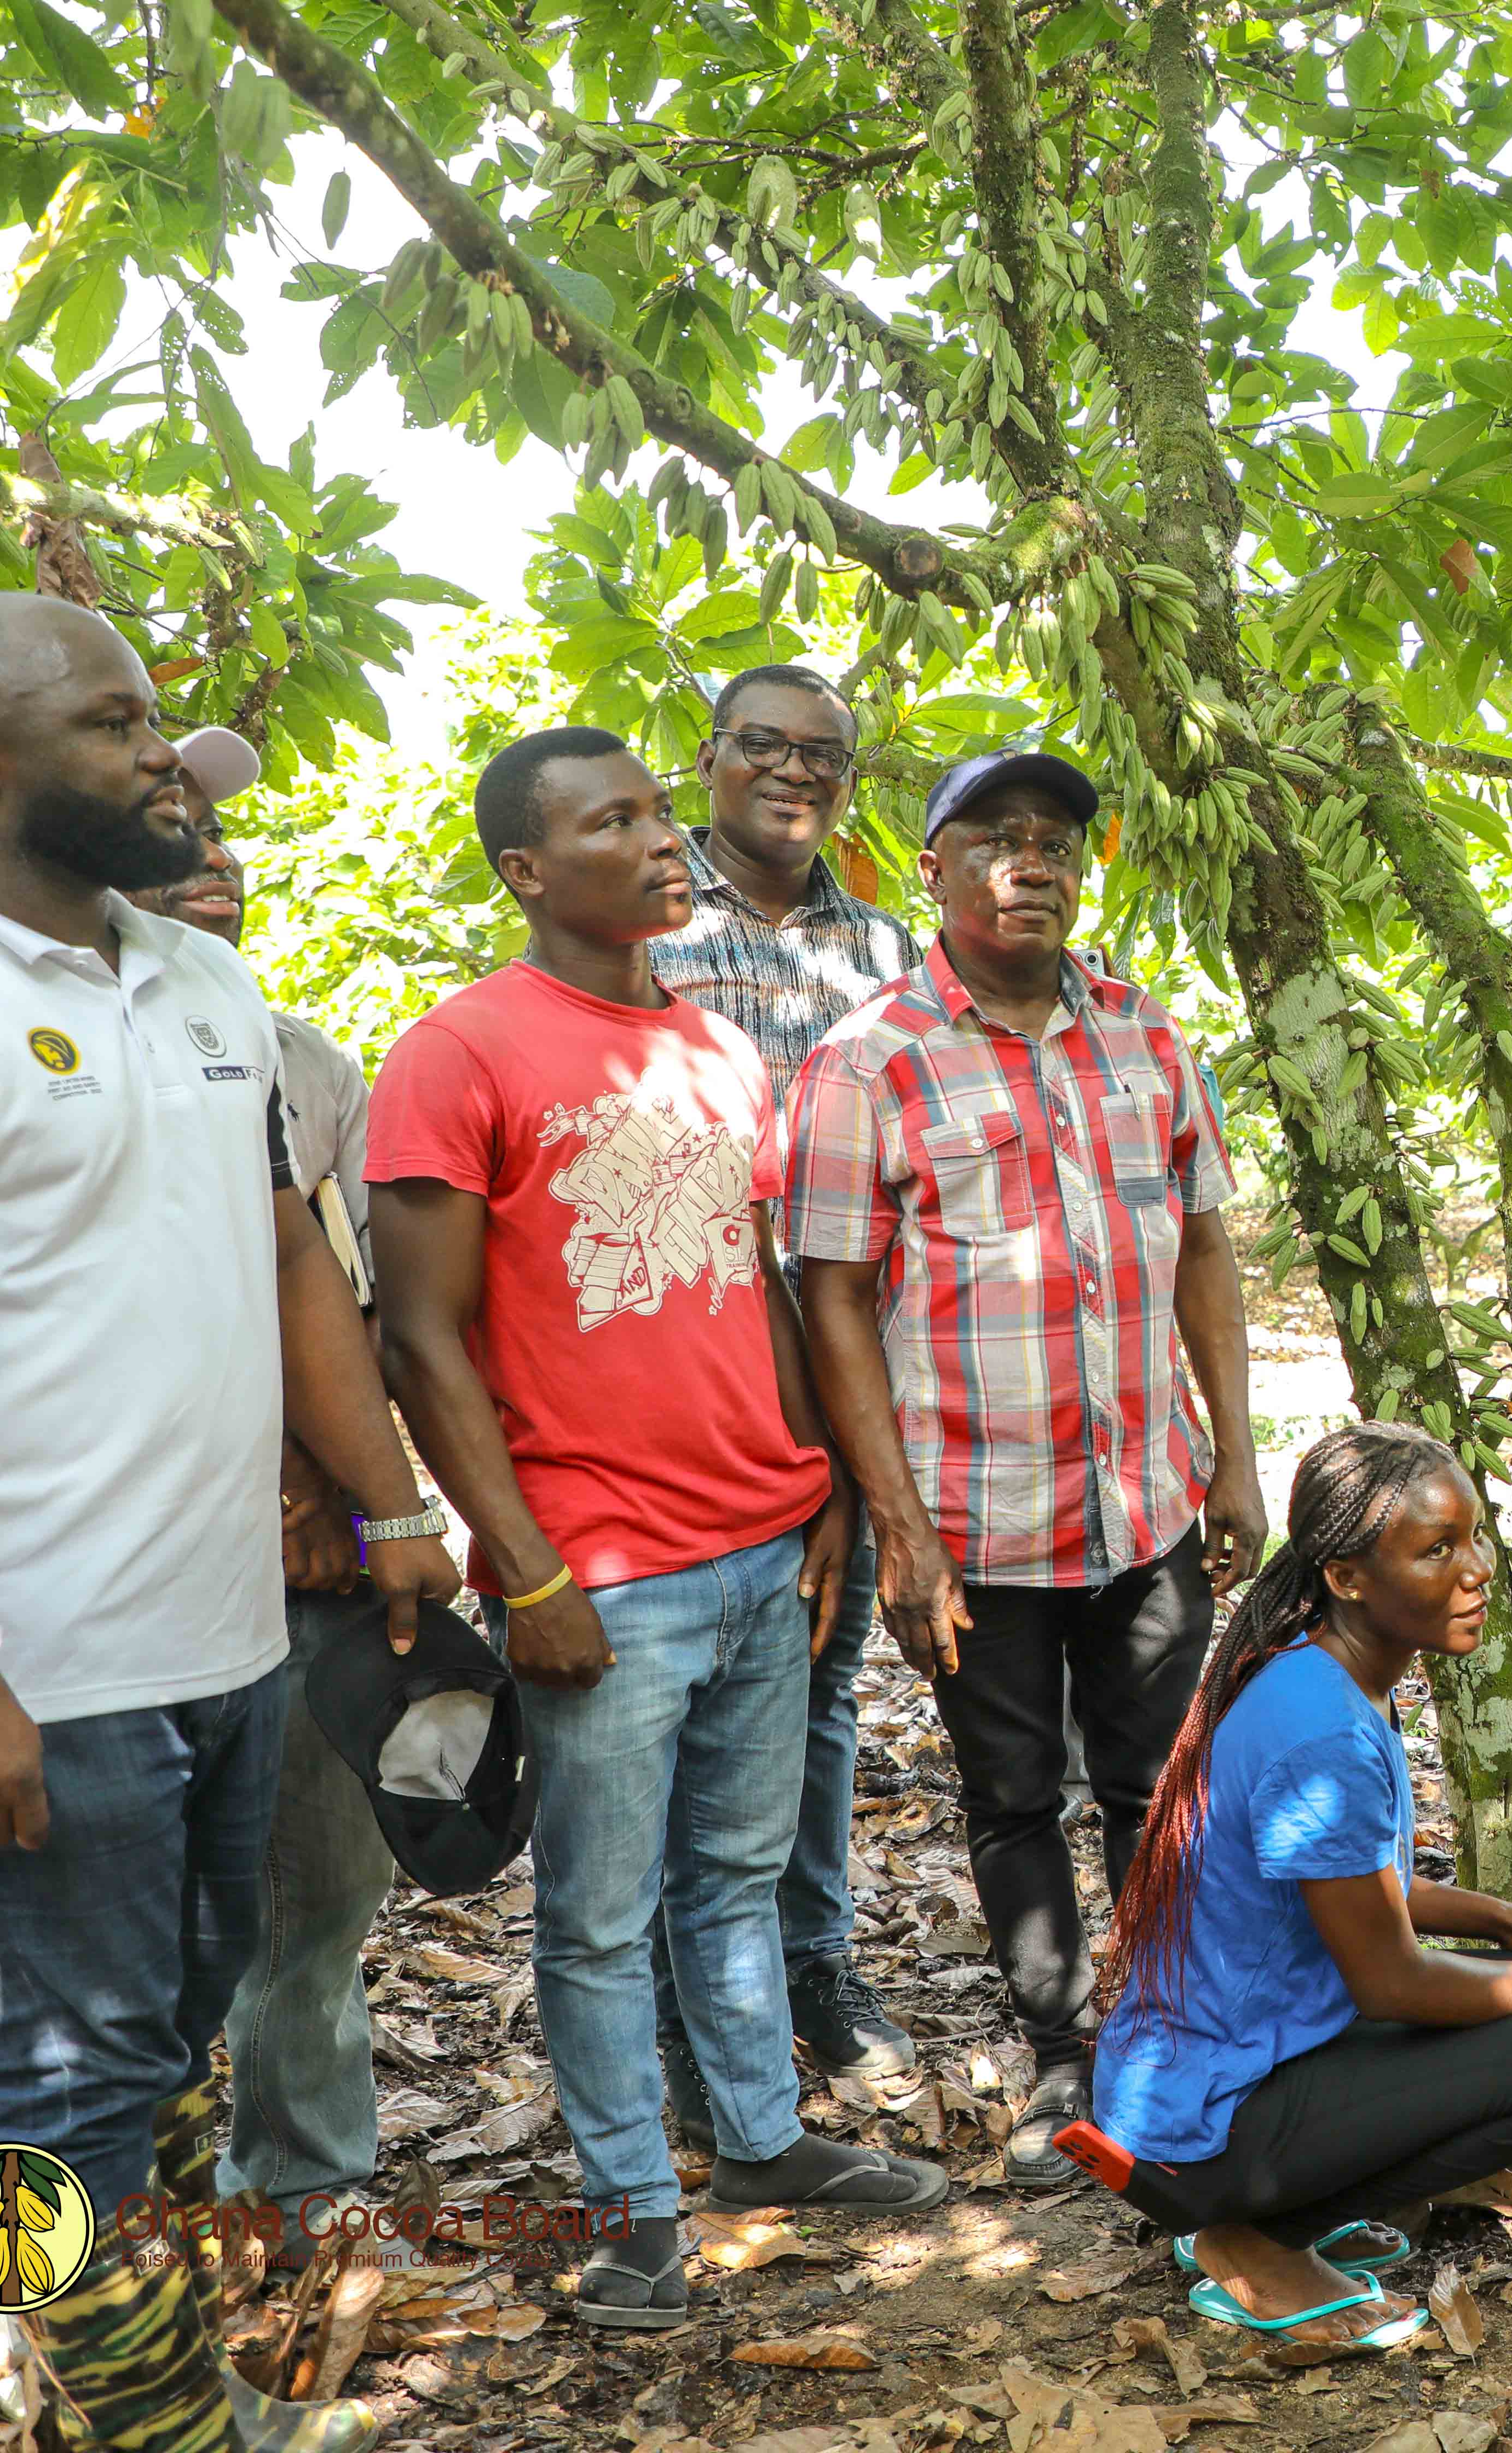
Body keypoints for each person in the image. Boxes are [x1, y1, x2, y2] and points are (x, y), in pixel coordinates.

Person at [0, 593, 460, 2453]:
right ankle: (127, 2425)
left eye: (156, 715)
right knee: (57, 2085)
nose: (164, 754)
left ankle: (132, 2399)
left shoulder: (207, 986)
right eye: (118, 725)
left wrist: (398, 1508)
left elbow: (287, 1275)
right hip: (26, 1658)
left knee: (166, 2041)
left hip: (225, 1638)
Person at [368, 727, 944, 2331]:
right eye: (608, 819)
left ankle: (757, 2138)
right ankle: (633, 2212)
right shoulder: (458, 1050)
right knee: (603, 1911)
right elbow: (419, 1337)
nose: (657, 837)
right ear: (528, 870)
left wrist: (819, 1477)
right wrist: (529, 1565)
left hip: (764, 1541)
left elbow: (754, 1280)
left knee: (738, 1869)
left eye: (650, 809)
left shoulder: (712, 1048)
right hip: (598, 1571)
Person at [787, 748, 1266, 2185]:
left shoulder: (1144, 1034)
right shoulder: (867, 1060)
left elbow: (1208, 1246)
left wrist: (1233, 1458)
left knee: (1156, 1784)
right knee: (1010, 1796)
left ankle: (1170, 2042)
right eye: (995, 838)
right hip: (975, 1519)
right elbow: (831, 1301)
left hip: (1144, 1501)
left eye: (1056, 839)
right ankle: (1065, 2054)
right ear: (929, 871)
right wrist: (902, 1534)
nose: (1033, 862)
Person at [1073, 1423, 1512, 2353]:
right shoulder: (1320, 1729)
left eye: (1475, 1536)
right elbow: (1391, 1981)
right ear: (1347, 1576)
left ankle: (1291, 2204)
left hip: (1202, 2081)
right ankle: (1254, 2244)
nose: (1476, 1569)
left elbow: (1363, 1887)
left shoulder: (1332, 1672)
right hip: (1198, 2128)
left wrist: (1511, 1920)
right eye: (1436, 1550)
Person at [119, 732, 408, 2243]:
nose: (208, 855)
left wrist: (369, 1503)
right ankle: (110, 2243)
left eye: (222, 827)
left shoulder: (305, 1062)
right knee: (112, 1954)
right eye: (167, 829)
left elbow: (340, 1297)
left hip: (304, 1559)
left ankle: (302, 2183)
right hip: (120, 1574)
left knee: (314, 1883)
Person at [649, 664, 926, 2115]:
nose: (793, 772)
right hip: (665, 1375)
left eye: (822, 754)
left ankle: (809, 1962)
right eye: (764, 745)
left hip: (834, 1369)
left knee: (817, 1694)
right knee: (676, 1693)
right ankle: (673, 1994)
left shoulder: (879, 948)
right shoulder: (638, 912)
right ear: (710, 760)